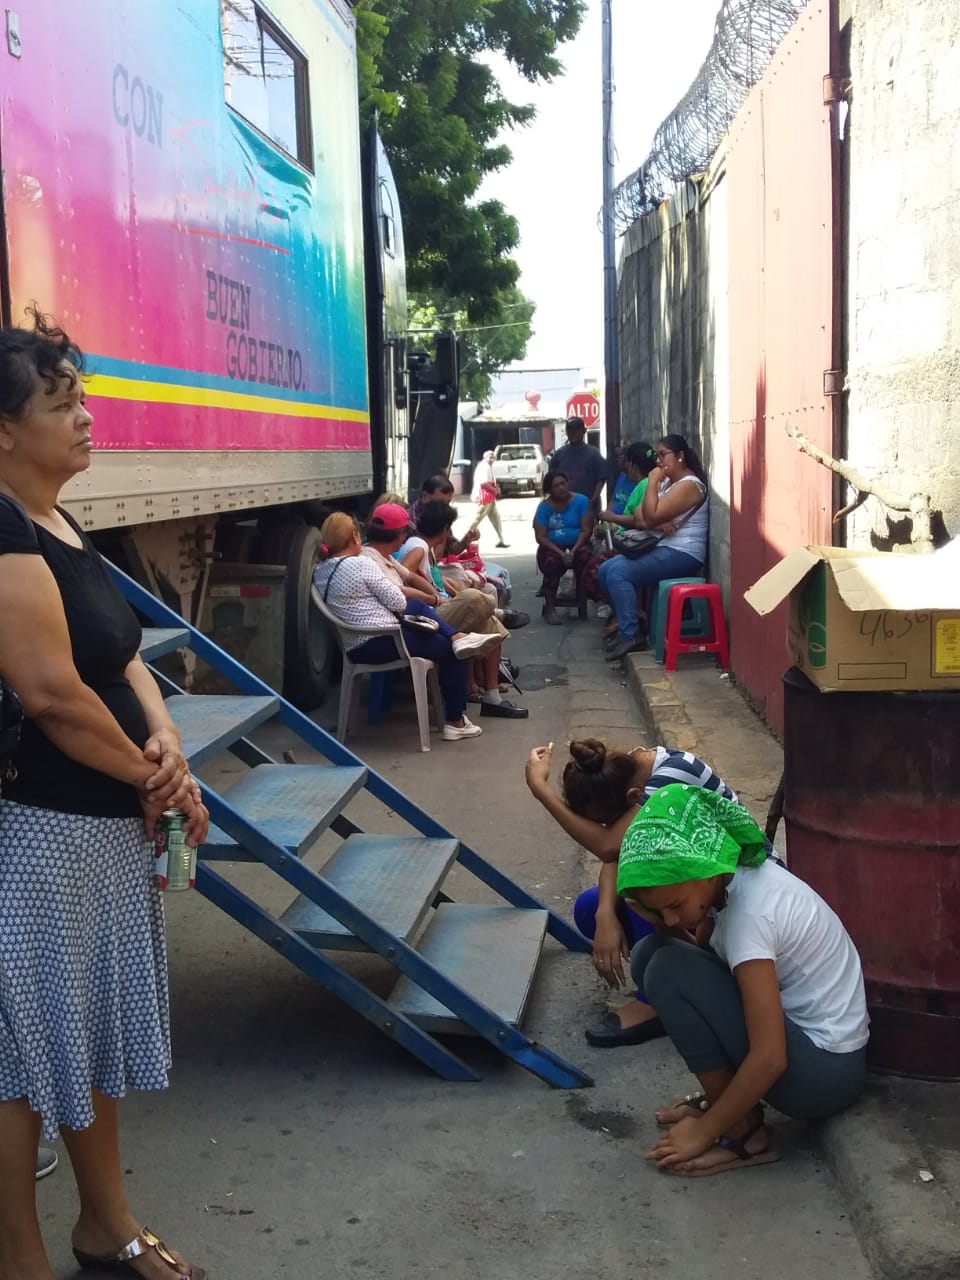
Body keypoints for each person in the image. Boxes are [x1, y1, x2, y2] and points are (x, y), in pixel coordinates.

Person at [0, 311, 210, 1280]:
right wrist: (152, 776)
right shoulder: (0, 529)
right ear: (5, 429)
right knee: (22, 1063)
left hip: (102, 824)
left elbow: (123, 662)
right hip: (36, 829)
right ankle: (24, 1256)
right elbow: (48, 691)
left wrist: (165, 743)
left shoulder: (60, 520)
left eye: (82, 395)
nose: (86, 415)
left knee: (84, 1033)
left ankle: (106, 1226)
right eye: (62, 401)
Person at [621, 784, 868, 1177]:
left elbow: (770, 1057)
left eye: (674, 906)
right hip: (818, 1054)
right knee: (650, 954)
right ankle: (732, 1107)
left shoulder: (750, 916)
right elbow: (703, 954)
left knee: (667, 971)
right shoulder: (732, 878)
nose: (670, 918)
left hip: (826, 1075)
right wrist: (661, 916)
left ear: (704, 871)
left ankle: (744, 1135)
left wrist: (705, 1131)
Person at [525, 738, 737, 1047]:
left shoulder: (671, 775)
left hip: (729, 896)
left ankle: (656, 1002)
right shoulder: (634, 768)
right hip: (696, 894)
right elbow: (620, 851)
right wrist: (605, 915)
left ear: (632, 797)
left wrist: (540, 789)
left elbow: (611, 845)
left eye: (607, 822)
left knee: (640, 893)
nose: (606, 828)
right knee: (591, 906)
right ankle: (688, 970)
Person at [313, 511, 500, 740]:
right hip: (384, 640)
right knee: (451, 653)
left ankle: (456, 636)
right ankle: (455, 721)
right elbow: (398, 601)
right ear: (354, 536)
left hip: (357, 642)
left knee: (420, 610)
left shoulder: (321, 571)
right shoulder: (360, 564)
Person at [364, 503, 527, 720]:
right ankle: (457, 716)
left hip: (425, 612)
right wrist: (433, 598)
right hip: (411, 620)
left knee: (488, 624)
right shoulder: (376, 558)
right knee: (474, 600)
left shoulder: (386, 556)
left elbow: (410, 577)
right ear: (400, 533)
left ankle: (492, 697)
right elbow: (399, 593)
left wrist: (436, 595)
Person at [599, 433, 709, 662]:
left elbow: (649, 515)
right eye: (656, 456)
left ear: (680, 456)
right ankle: (634, 621)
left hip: (684, 552)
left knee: (619, 573)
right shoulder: (668, 483)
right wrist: (655, 518)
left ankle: (630, 634)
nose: (659, 462)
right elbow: (639, 516)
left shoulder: (690, 485)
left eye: (663, 455)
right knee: (605, 569)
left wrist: (652, 483)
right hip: (663, 546)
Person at [583, 442, 659, 609]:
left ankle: (624, 611)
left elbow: (639, 520)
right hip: (624, 538)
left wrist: (613, 519)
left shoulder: (646, 486)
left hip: (635, 543)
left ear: (632, 465)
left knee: (594, 571)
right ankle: (620, 610)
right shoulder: (638, 483)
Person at [533, 471, 593, 625]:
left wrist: (573, 551)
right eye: (556, 486)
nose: (561, 488)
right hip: (553, 547)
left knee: (585, 557)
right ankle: (550, 608)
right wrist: (560, 552)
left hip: (577, 544)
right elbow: (541, 537)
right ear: (549, 490)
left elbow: (586, 530)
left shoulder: (581, 501)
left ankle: (580, 599)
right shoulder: (544, 507)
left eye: (563, 483)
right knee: (551, 562)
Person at [549, 417, 607, 513]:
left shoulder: (594, 454)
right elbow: (550, 481)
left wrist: (592, 501)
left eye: (577, 430)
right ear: (566, 432)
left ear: (584, 431)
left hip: (588, 507)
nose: (573, 433)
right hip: (564, 508)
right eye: (570, 430)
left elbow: (601, 480)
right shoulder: (559, 455)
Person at [470, 451, 508, 548]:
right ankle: (466, 538)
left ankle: (501, 539)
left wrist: (495, 488)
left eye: (493, 457)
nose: (492, 459)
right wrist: (494, 490)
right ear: (485, 457)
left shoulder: (488, 466)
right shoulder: (484, 467)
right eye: (490, 457)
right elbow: (484, 483)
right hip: (484, 496)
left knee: (496, 519)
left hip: (490, 497)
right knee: (477, 518)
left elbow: (490, 482)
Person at [609, 446, 634, 515]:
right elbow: (613, 499)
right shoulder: (622, 476)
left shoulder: (637, 482)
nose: (618, 460)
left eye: (620, 458)